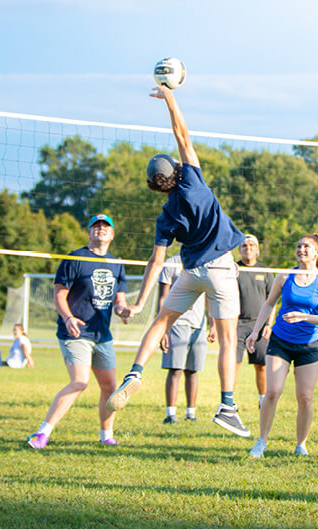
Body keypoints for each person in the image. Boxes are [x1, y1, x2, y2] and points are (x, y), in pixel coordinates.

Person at [106, 84, 249, 437]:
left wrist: (140, 303)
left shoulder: (166, 214)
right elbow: (181, 132)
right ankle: (227, 405)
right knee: (229, 341)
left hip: (190, 271)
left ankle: (135, 372)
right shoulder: (194, 182)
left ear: (156, 186)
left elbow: (156, 263)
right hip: (219, 268)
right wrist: (170, 96)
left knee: (161, 320)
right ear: (176, 173)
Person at [27, 214, 128, 449]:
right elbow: (59, 294)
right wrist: (68, 317)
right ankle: (42, 433)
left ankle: (106, 436)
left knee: (110, 388)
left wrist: (125, 311)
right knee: (80, 382)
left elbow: (119, 302)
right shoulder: (74, 258)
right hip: (75, 331)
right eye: (96, 226)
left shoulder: (117, 263)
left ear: (112, 234)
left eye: (105, 226)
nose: (100, 229)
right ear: (89, 232)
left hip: (102, 334)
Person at [245, 234, 318, 458]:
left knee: (305, 397)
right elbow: (269, 304)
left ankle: (301, 445)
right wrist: (255, 332)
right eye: (298, 246)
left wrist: (304, 317)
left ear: (317, 253)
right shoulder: (285, 276)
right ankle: (261, 441)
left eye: (307, 246)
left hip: (308, 345)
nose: (301, 249)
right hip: (280, 341)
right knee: (273, 391)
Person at [158, 254, 208, 424]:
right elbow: (162, 297)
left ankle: (190, 413)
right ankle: (170, 414)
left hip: (199, 323)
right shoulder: (171, 263)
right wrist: (163, 329)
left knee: (193, 370)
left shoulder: (204, 261)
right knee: (175, 369)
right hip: (176, 321)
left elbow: (210, 296)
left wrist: (213, 324)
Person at [235, 235, 274, 408]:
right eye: (244, 245)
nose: (248, 248)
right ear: (239, 249)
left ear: (257, 250)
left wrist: (268, 325)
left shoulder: (265, 271)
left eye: (252, 245)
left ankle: (262, 400)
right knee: (233, 363)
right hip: (236, 324)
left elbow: (272, 300)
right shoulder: (234, 269)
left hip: (259, 325)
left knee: (261, 365)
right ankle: (228, 400)